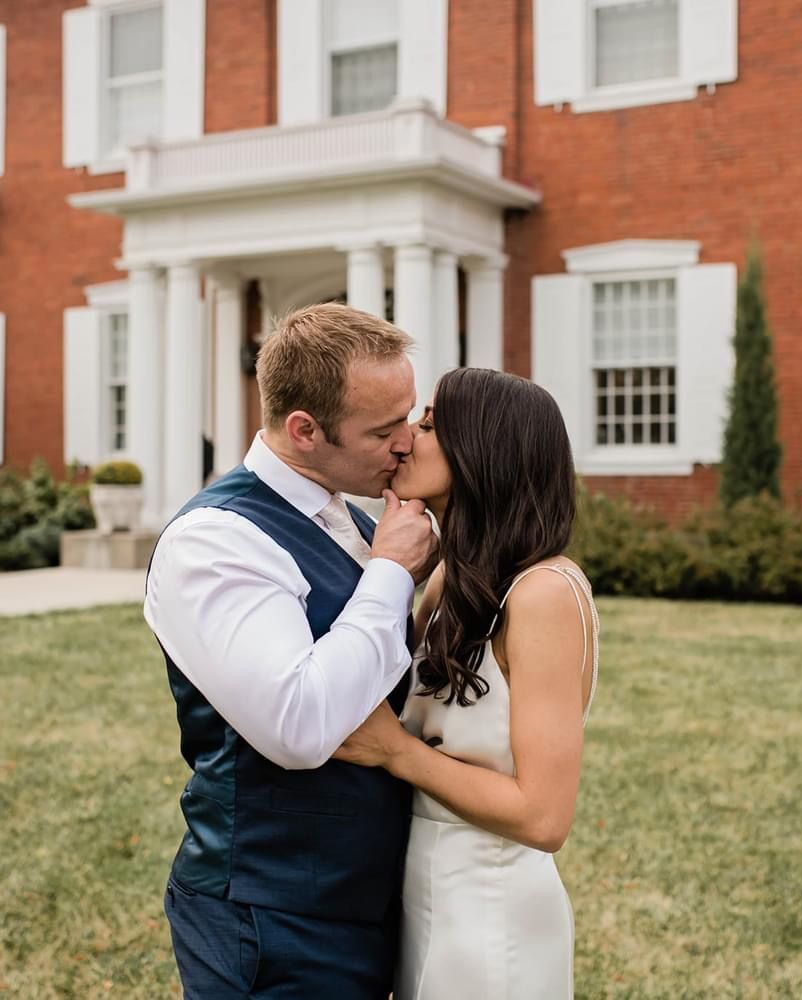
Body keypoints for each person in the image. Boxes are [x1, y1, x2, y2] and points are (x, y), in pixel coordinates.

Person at [144, 303, 439, 998]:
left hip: (355, 903)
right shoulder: (215, 541)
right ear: (304, 430)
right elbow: (299, 725)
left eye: (410, 416)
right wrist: (390, 574)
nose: (406, 442)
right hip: (271, 918)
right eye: (383, 429)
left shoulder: (345, 514)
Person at [334, 366, 600, 1000]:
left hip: (494, 905)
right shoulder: (451, 578)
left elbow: (543, 816)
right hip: (422, 891)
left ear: (481, 449)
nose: (405, 438)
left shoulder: (544, 594)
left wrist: (397, 753)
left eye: (428, 423)